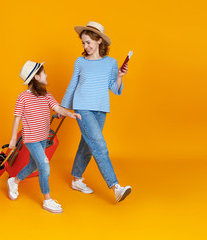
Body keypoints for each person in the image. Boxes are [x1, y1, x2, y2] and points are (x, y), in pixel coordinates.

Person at [61, 21, 131, 202]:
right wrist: (62, 108)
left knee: (88, 145)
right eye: (83, 43)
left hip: (101, 109)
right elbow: (72, 85)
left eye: (89, 42)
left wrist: (120, 77)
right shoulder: (80, 61)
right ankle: (116, 187)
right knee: (99, 146)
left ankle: (76, 179)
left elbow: (114, 90)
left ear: (100, 40)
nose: (86, 46)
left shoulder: (111, 63)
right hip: (82, 107)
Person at [7, 60, 81, 214]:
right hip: (31, 139)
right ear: (36, 77)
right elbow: (17, 118)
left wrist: (69, 113)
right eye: (43, 73)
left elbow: (58, 108)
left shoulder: (47, 95)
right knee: (44, 167)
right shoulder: (23, 97)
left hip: (43, 137)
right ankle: (47, 200)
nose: (46, 75)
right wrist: (13, 139)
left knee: (33, 165)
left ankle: (14, 181)